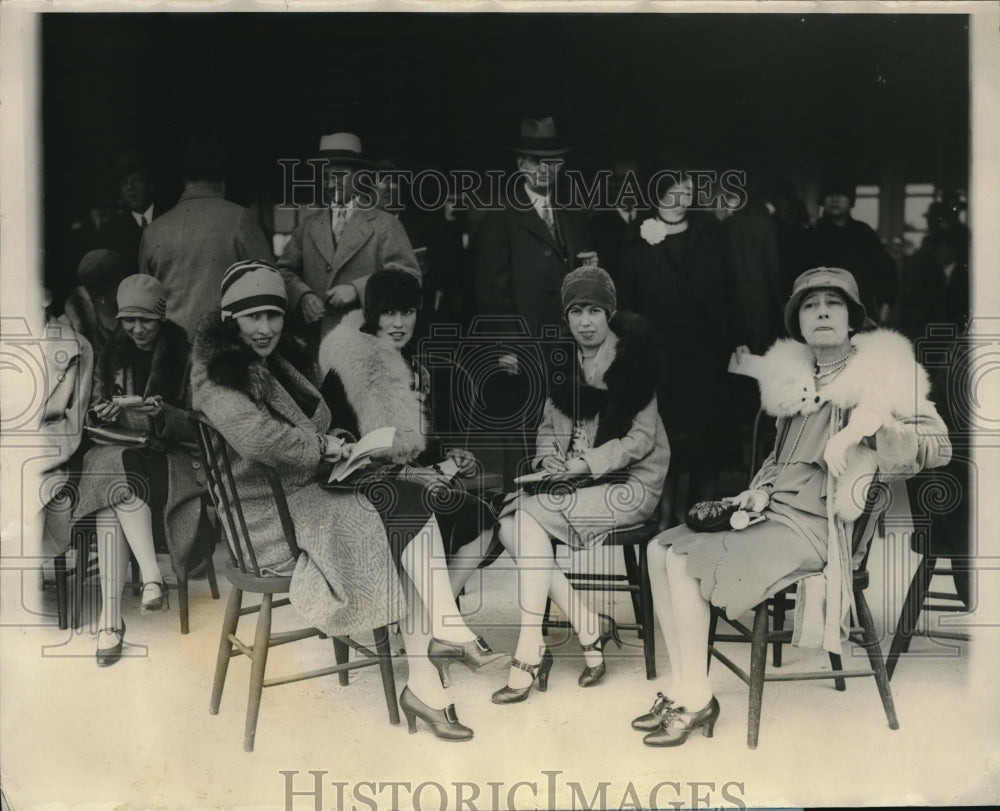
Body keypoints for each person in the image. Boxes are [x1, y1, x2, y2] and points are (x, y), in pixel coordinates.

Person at [634, 267, 952, 748]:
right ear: (798, 322)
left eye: (834, 303)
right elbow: (776, 459)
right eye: (809, 304)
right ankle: (683, 689)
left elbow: (938, 447)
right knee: (659, 550)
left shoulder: (882, 377)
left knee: (683, 560)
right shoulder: (796, 378)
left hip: (822, 529)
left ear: (852, 318)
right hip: (772, 513)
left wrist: (875, 428)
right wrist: (759, 488)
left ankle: (697, 700)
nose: (821, 311)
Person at [191, 260, 485, 740]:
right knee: (403, 513)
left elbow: (311, 417)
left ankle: (428, 677)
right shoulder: (217, 375)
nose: (265, 329)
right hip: (271, 514)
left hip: (300, 490)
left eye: (274, 316)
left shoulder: (271, 359)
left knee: (409, 505)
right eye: (252, 318)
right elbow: (260, 440)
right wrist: (322, 447)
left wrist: (340, 439)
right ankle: (442, 638)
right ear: (230, 319)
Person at [492, 266, 670, 703]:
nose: (585, 321)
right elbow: (549, 424)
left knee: (523, 517)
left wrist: (584, 465)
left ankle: (528, 649)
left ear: (608, 313)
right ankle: (588, 625)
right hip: (576, 479)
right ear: (566, 316)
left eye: (594, 310)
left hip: (628, 482)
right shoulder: (564, 358)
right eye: (576, 311)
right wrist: (549, 457)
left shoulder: (632, 357)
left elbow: (641, 439)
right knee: (509, 526)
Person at [317, 266, 507, 623]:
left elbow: (417, 440)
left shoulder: (411, 362)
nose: (399, 322)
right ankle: (437, 622)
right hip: (362, 492)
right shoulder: (346, 367)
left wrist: (449, 457)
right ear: (373, 314)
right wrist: (407, 474)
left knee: (487, 519)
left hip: (409, 483)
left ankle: (436, 618)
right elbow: (336, 454)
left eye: (408, 311)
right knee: (429, 508)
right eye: (389, 312)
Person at [73, 275, 209, 666]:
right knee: (110, 474)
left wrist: (161, 413)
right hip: (126, 458)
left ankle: (111, 622)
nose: (136, 329)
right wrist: (104, 411)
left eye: (145, 320)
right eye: (129, 320)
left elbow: (201, 422)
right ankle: (143, 588)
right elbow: (95, 412)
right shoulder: (112, 352)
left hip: (172, 462)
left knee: (107, 479)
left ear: (161, 317)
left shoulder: (187, 353)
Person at [472, 117, 594, 489]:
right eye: (538, 161)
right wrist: (504, 346)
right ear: (521, 165)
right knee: (523, 434)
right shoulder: (501, 212)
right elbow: (490, 288)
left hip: (564, 344)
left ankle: (551, 510)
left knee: (560, 430)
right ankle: (516, 512)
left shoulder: (570, 212)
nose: (546, 169)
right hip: (522, 346)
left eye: (553, 161)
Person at [617, 167, 737, 528]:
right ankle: (663, 522)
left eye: (687, 187)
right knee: (665, 447)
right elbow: (626, 303)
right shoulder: (636, 239)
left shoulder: (710, 234)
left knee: (705, 449)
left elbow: (730, 294)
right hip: (659, 361)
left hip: (705, 359)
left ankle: (703, 523)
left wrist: (735, 341)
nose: (682, 194)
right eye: (673, 187)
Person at [276, 133, 419, 345]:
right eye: (326, 177)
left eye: (340, 176)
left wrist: (358, 290)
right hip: (317, 348)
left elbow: (409, 278)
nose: (332, 185)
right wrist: (302, 296)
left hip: (368, 348)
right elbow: (283, 272)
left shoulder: (386, 225)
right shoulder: (308, 226)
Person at [139, 136, 274, 338]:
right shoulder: (240, 219)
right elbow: (270, 289)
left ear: (183, 180)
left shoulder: (152, 231)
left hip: (170, 357)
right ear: (223, 181)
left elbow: (145, 305)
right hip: (225, 354)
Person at [812, 169, 898, 326]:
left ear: (851, 200)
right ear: (822, 199)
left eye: (842, 194)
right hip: (823, 315)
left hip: (864, 316)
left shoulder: (864, 233)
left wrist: (886, 306)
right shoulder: (812, 234)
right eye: (829, 193)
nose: (835, 199)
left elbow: (887, 271)